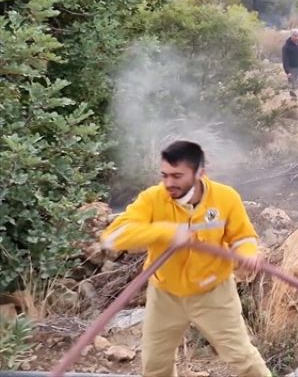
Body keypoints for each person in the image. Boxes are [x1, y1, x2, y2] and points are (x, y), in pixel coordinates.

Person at [101, 141, 270, 377]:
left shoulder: (225, 198)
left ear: (200, 172)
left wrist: (247, 254)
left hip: (214, 292)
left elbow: (242, 236)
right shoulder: (152, 199)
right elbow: (113, 237)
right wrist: (168, 232)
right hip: (165, 294)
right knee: (154, 364)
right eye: (165, 175)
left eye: (177, 176)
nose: (169, 183)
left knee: (243, 358)